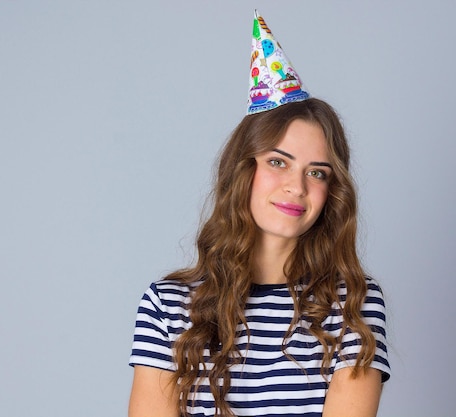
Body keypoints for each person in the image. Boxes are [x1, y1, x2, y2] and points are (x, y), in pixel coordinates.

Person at [128, 11, 390, 417]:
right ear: (243, 169)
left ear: (331, 191)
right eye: (278, 162)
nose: (296, 187)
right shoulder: (168, 306)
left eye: (316, 172)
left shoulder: (353, 304)